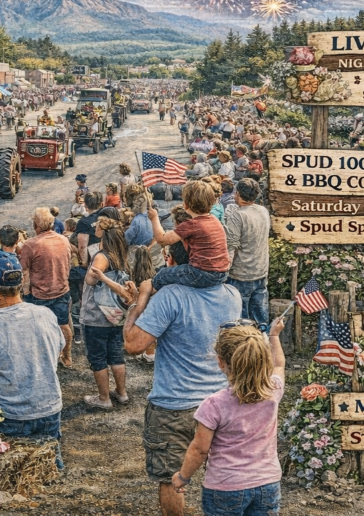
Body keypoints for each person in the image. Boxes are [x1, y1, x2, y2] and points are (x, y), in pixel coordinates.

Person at [123, 244, 242, 516]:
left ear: (171, 260)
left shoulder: (170, 297)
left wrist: (137, 302)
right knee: (228, 475)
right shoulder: (231, 294)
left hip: (174, 405)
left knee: (171, 478)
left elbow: (133, 344)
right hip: (221, 400)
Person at [0, 252, 65, 470]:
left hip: (8, 415)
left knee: (12, 472)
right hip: (49, 408)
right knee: (48, 470)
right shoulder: (46, 314)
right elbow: (57, 351)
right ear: (21, 282)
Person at [172, 318, 286, 516]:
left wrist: (183, 476)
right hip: (267, 483)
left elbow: (199, 449)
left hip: (225, 487)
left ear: (220, 362)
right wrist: (274, 336)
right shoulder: (273, 390)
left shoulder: (214, 405)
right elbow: (279, 365)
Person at [82, 217, 133, 409]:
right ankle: (121, 393)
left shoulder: (101, 256)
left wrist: (94, 272)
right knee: (115, 355)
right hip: (116, 315)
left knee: (97, 358)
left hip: (97, 316)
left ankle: (104, 399)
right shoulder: (120, 255)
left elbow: (90, 280)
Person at [147, 181, 230, 290]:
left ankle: (147, 299)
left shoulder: (192, 224)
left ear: (185, 204)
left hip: (202, 273)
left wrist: (154, 218)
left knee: (162, 275)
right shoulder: (214, 220)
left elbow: (162, 240)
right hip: (223, 272)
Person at [21, 207, 76, 368]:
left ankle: (43, 358)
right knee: (63, 324)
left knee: (38, 328)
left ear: (36, 225)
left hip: (39, 293)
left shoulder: (31, 244)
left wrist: (25, 293)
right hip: (62, 289)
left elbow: (23, 270)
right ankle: (67, 356)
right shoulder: (64, 240)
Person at [225, 180, 271, 327]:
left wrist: (223, 271)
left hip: (241, 274)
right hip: (261, 271)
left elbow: (230, 247)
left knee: (241, 323)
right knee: (261, 319)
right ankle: (264, 345)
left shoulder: (237, 216)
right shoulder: (263, 211)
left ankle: (246, 348)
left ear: (237, 194)